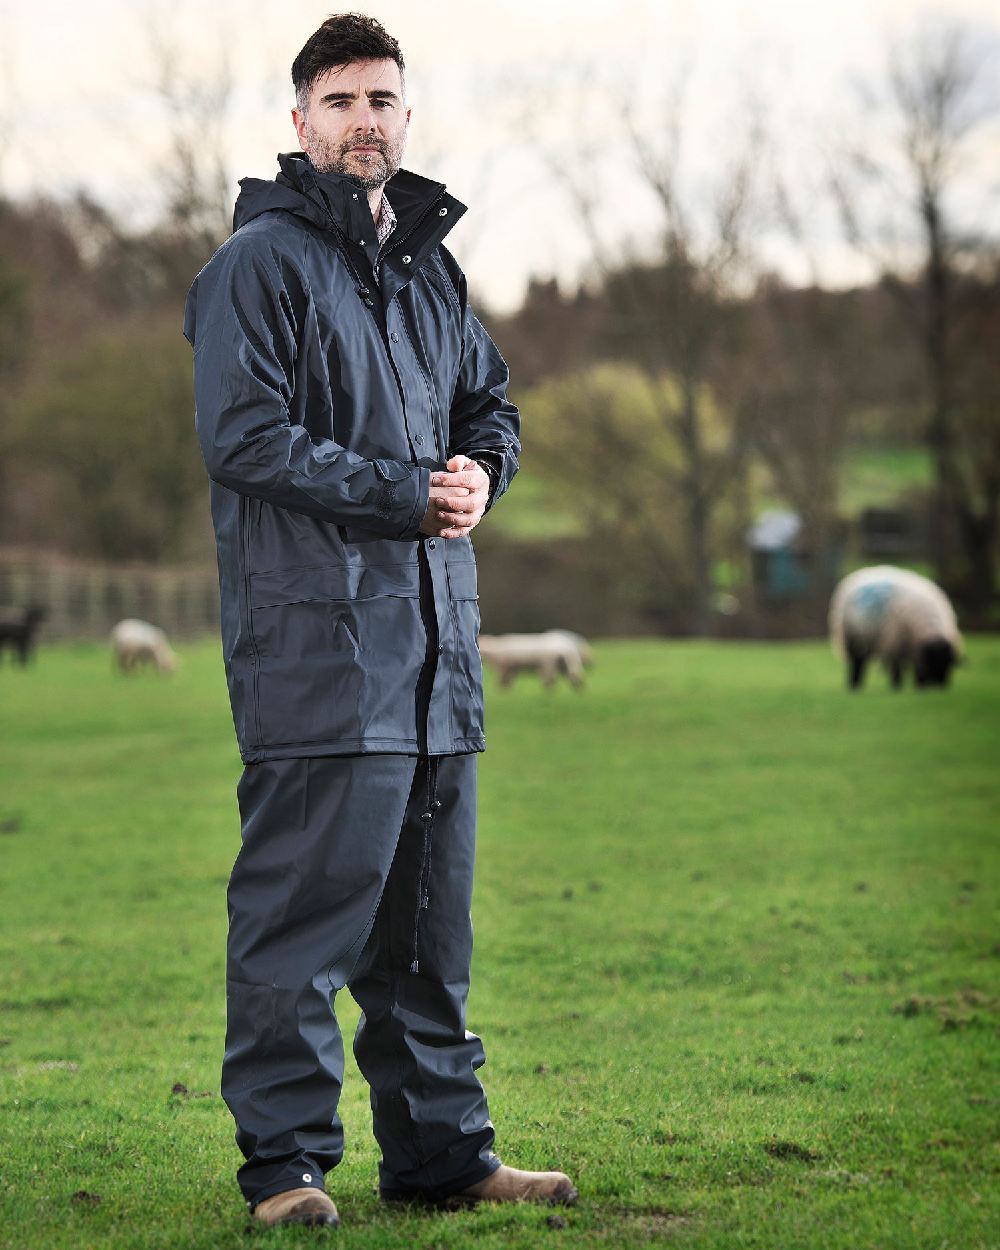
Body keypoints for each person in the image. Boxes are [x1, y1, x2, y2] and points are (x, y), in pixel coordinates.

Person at [183, 12, 577, 1231]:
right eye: (342, 100)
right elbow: (244, 438)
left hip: (439, 662)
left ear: (407, 117)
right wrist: (407, 493)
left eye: (384, 99)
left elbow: (489, 405)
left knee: (423, 939)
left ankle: (445, 1154)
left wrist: (479, 475)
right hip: (319, 655)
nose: (367, 119)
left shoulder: (431, 270)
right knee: (299, 929)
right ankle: (286, 1169)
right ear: (300, 122)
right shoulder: (256, 266)